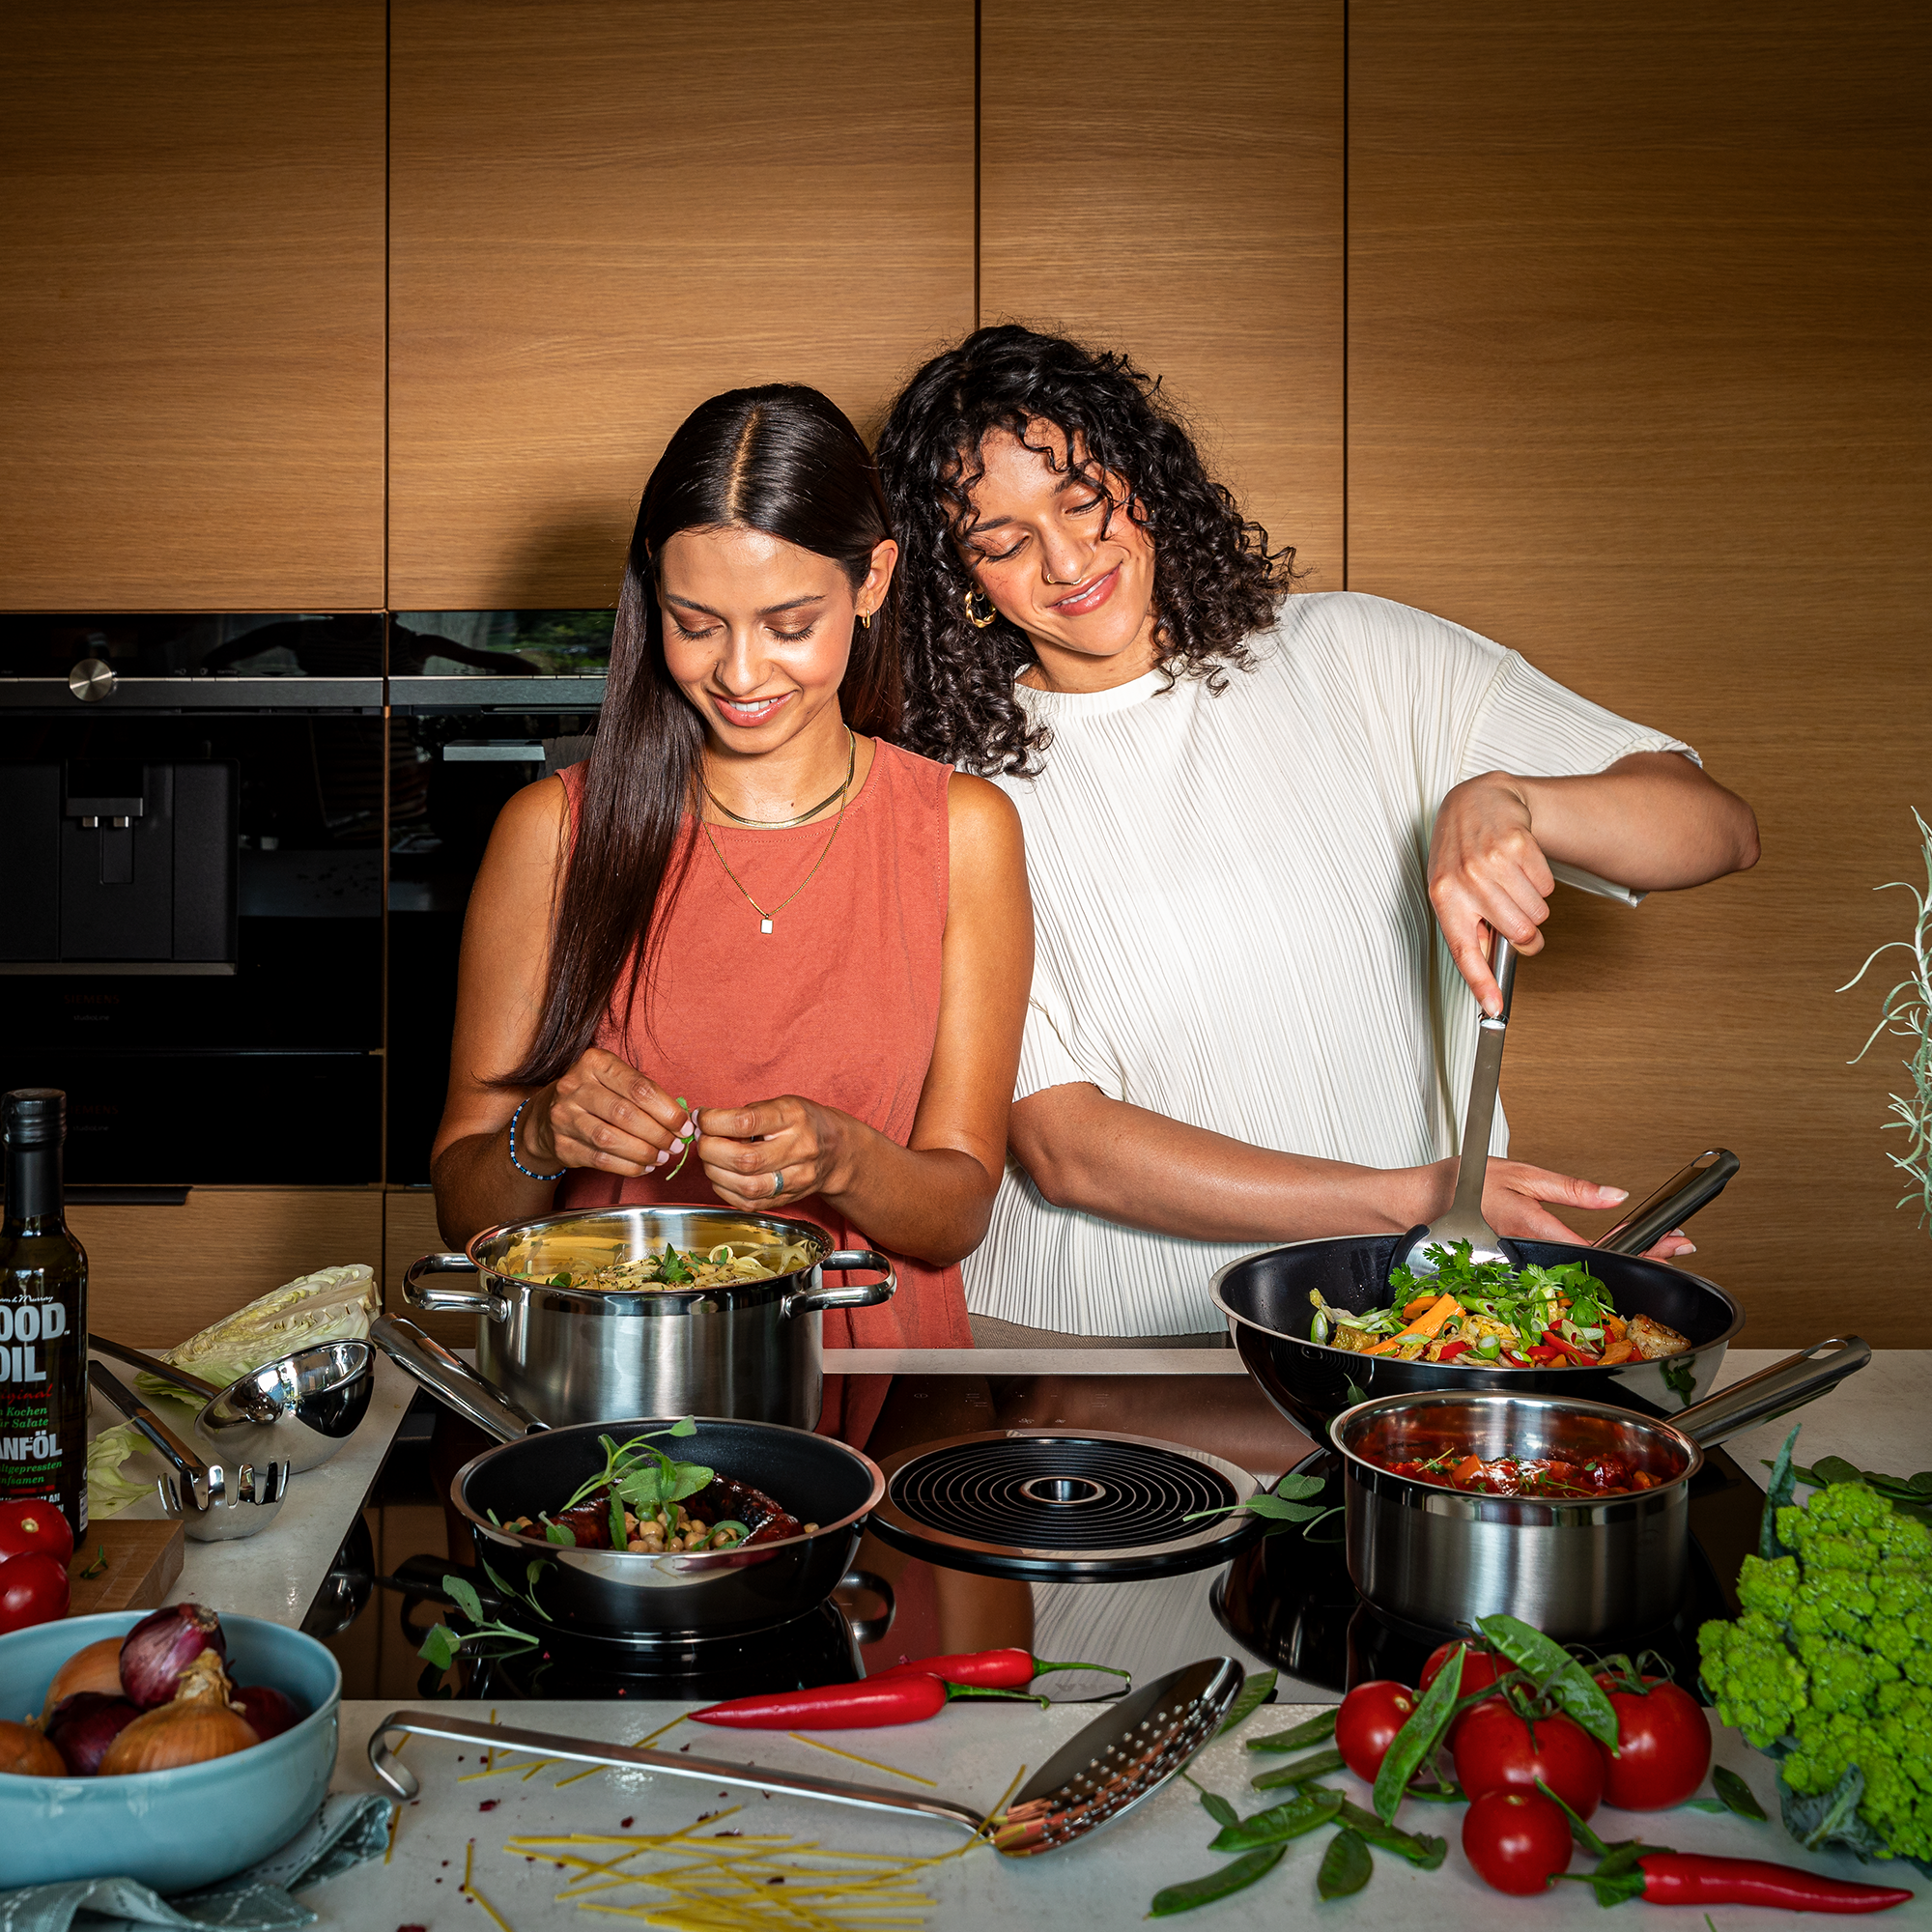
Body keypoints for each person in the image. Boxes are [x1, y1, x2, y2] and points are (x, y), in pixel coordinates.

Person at [874, 326, 1761, 1344]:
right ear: (959, 582)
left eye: (1080, 501)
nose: (1065, 558)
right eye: (1001, 542)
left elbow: (1715, 827)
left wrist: (1518, 801)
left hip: (1393, 1316)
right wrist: (1410, 1200)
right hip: (1099, 1346)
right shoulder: (951, 799)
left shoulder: (1356, 656)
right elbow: (1065, 1143)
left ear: (1143, 482)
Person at [432, 385, 1032, 1435]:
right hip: (601, 1405)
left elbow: (956, 1210)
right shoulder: (552, 832)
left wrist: (845, 1159)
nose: (741, 673)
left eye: (789, 624)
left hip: (879, 1411)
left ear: (873, 579)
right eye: (694, 624)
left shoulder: (961, 829)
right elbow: (465, 1202)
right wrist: (541, 1132)